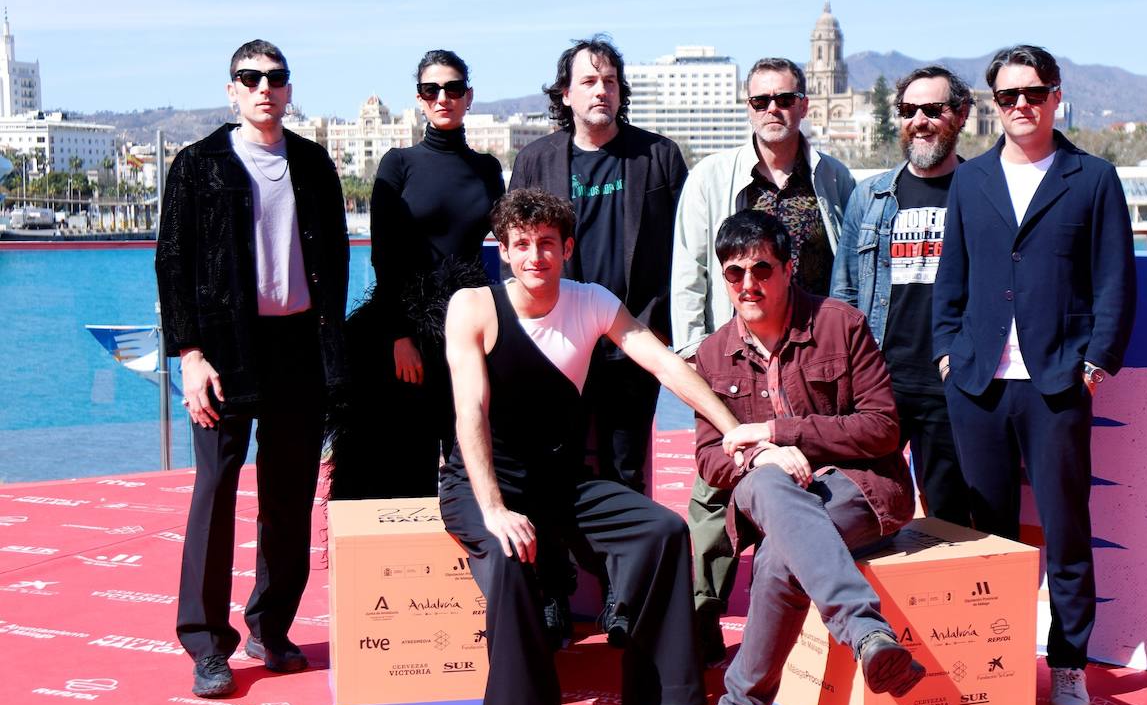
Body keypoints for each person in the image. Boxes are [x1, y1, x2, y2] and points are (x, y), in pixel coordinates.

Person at [439, 188, 748, 705]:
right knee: (509, 560)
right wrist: (495, 508)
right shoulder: (472, 308)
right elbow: (469, 413)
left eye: (547, 245)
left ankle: (658, 691)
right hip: (482, 486)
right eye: (522, 245)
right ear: (503, 252)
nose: (535, 257)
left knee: (662, 530)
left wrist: (732, 428)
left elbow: (665, 363)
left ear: (567, 249)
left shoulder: (591, 302)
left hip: (560, 482)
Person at [669, 210, 923, 705]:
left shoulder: (840, 324)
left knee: (781, 555)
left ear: (789, 269)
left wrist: (781, 432)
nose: (748, 284)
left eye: (762, 268)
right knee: (763, 486)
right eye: (734, 273)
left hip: (859, 488)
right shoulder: (711, 354)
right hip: (775, 492)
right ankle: (867, 633)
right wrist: (760, 455)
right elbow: (712, 457)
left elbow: (883, 428)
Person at [932, 44, 1136, 705]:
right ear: (992, 105)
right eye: (1009, 95)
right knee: (989, 533)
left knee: (1065, 528)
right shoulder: (971, 180)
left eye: (1035, 92)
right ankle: (1001, 662)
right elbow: (950, 278)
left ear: (1055, 98)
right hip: (978, 383)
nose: (1022, 104)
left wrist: (1096, 362)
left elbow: (1114, 279)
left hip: (1054, 383)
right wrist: (945, 352)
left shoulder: (1094, 177)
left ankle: (1070, 662)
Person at [155, 40, 349, 698]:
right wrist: (188, 355)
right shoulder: (198, 165)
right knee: (214, 490)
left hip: (297, 347)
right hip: (223, 350)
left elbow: (335, 269)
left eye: (275, 77)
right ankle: (207, 643)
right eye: (250, 77)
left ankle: (271, 622)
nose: (264, 87)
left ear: (289, 89)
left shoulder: (315, 165)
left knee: (289, 497)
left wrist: (331, 355)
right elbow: (172, 266)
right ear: (232, 89)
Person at [669, 56, 855, 663]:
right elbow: (689, 281)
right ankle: (697, 640)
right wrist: (692, 366)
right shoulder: (710, 179)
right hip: (732, 366)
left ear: (803, 104)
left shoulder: (834, 179)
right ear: (747, 108)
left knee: (813, 485)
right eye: (760, 100)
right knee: (714, 503)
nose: (773, 109)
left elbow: (850, 273)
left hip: (812, 364)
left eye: (785, 98)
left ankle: (816, 645)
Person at [511, 35, 687, 497]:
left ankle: (626, 570)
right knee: (554, 471)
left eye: (610, 81)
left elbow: (686, 248)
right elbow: (515, 246)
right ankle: (564, 570)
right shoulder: (534, 160)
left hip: (633, 338)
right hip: (558, 339)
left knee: (626, 474)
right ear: (566, 94)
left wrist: (666, 328)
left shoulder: (659, 156)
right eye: (588, 80)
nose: (601, 90)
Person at [328, 49, 505, 499]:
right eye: (432, 90)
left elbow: (508, 250)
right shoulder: (398, 164)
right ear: (420, 100)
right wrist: (399, 336)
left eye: (453, 88)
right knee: (404, 460)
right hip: (406, 330)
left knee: (470, 447)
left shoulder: (487, 170)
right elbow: (384, 257)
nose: (443, 97)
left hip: (468, 326)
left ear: (469, 96)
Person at [831, 65, 973, 526]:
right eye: (908, 110)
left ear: (961, 115)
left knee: (950, 519)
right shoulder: (870, 196)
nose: (920, 120)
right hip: (879, 384)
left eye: (933, 109)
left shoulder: (983, 193)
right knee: (865, 509)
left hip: (951, 385)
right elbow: (845, 294)